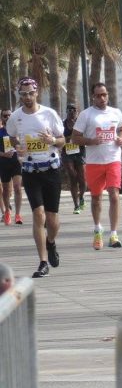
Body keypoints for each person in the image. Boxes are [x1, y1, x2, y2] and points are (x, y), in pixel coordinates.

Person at [5, 77, 65, 278]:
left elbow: (63, 140)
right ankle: (43, 262)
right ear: (19, 95)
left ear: (37, 92)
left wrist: (52, 140)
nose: (28, 97)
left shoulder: (49, 114)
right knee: (38, 214)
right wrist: (18, 146)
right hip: (30, 171)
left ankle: (51, 242)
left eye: (31, 93)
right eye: (23, 94)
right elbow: (11, 136)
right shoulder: (15, 117)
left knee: (52, 218)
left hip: (51, 169)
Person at [71, 82, 122, 250]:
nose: (102, 98)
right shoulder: (86, 115)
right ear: (93, 97)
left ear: (108, 95)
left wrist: (121, 138)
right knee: (96, 198)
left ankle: (114, 234)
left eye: (104, 94)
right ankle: (97, 230)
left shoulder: (116, 112)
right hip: (94, 162)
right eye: (98, 95)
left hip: (113, 159)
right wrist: (91, 141)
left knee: (114, 195)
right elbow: (75, 138)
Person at [61, 103, 87, 214]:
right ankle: (76, 205)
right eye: (69, 110)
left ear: (77, 112)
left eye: (74, 110)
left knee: (82, 179)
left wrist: (78, 139)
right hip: (67, 153)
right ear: (66, 111)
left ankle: (81, 197)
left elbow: (85, 136)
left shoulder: (80, 123)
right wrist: (67, 139)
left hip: (79, 152)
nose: (72, 112)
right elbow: (59, 137)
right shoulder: (62, 124)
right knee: (72, 176)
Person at [0, 109, 23, 225]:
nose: (8, 117)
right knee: (6, 190)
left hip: (16, 162)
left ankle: (18, 214)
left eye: (10, 115)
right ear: (2, 118)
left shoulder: (18, 131)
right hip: (4, 162)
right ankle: (7, 212)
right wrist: (3, 154)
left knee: (17, 187)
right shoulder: (0, 132)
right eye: (5, 116)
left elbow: (23, 145)